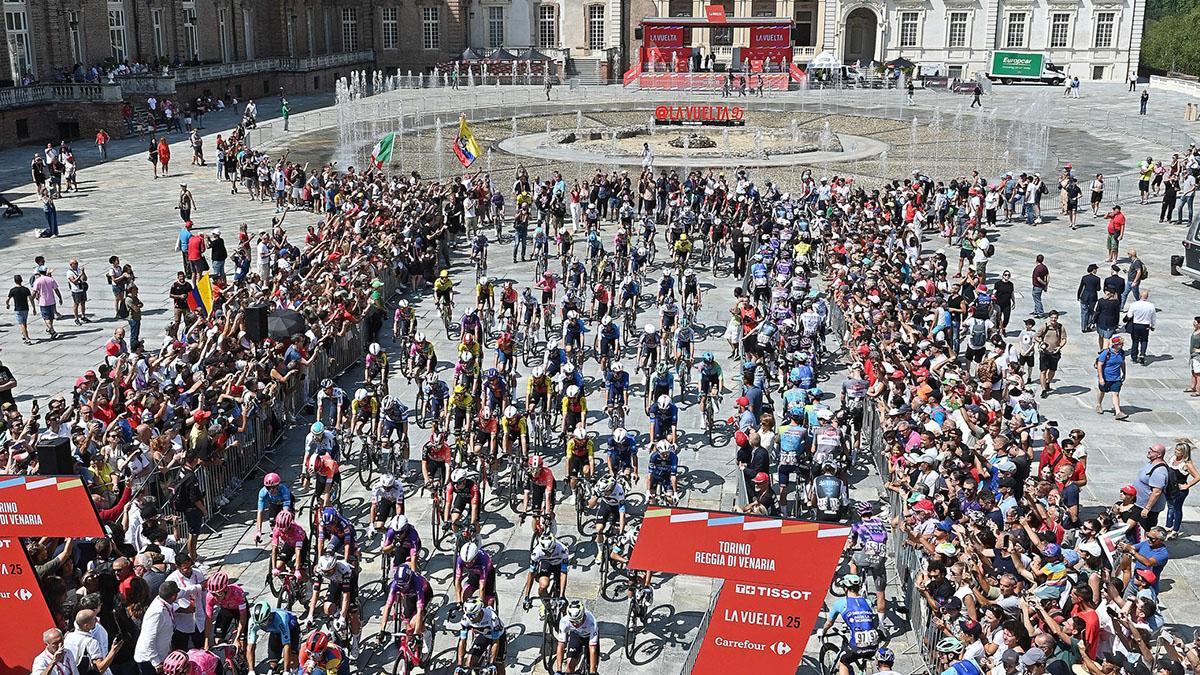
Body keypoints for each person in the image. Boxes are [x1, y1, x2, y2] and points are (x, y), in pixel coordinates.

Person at [134, 581, 179, 674]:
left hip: (160, 655)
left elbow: (172, 607)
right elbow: (149, 639)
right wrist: (156, 662)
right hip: (149, 660)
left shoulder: (162, 602)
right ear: (174, 596)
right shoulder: (157, 612)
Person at [1095, 335, 1128, 419]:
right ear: (1115, 344)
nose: (1122, 345)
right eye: (1120, 344)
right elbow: (1100, 365)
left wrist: (1124, 373)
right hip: (1106, 377)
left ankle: (1118, 412)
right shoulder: (1106, 353)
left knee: (1115, 394)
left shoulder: (1122, 353)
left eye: (1122, 344)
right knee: (1102, 392)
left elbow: (1122, 363)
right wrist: (1101, 378)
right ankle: (1099, 404)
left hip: (1116, 378)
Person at [1126, 289, 1156, 365]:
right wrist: (1152, 326)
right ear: (1147, 297)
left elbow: (1129, 315)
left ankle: (1134, 357)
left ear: (1140, 296)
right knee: (1144, 340)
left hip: (1136, 325)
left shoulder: (1134, 304)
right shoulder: (1151, 305)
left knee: (1135, 341)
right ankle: (1142, 354)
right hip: (1145, 325)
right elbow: (1153, 318)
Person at [31, 267, 63, 340]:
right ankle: (50, 328)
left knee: (46, 318)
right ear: (45, 272)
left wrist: (31, 298)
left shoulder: (38, 281)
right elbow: (56, 290)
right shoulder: (51, 279)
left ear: (39, 272)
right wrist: (60, 298)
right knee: (51, 317)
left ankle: (52, 330)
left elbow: (34, 291)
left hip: (43, 302)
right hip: (52, 301)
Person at [7, 274, 35, 345]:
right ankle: (24, 334)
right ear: (21, 280)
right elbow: (31, 299)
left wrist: (8, 304)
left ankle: (27, 338)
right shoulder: (26, 289)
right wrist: (34, 308)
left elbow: (8, 299)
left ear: (15, 281)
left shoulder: (13, 290)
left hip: (18, 309)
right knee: (24, 323)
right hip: (25, 308)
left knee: (22, 324)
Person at [1076, 264, 1100, 333]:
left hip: (1084, 296)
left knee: (1084, 312)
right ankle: (1088, 326)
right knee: (1091, 312)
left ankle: (1083, 327)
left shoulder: (1084, 277)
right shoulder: (1097, 279)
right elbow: (1098, 289)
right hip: (1093, 297)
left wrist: (1078, 296)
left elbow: (1081, 287)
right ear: (1094, 270)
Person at [1189, 316, 1200, 396]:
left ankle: (1198, 390)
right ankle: (1192, 387)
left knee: (1198, 373)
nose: (1193, 323)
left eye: (1195, 322)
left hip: (1198, 357)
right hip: (1192, 355)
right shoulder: (1195, 331)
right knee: (1193, 372)